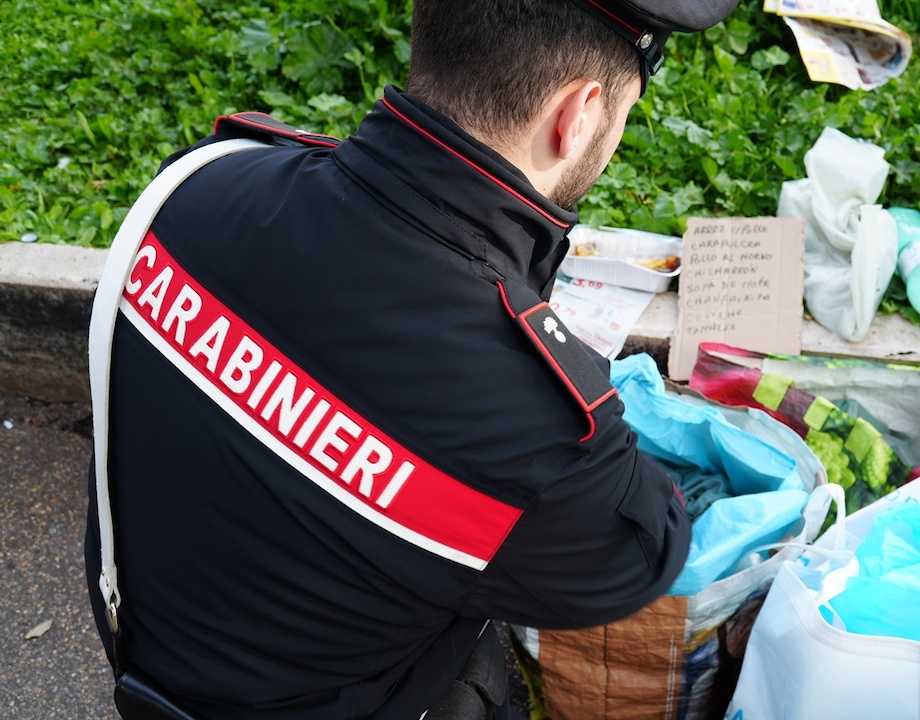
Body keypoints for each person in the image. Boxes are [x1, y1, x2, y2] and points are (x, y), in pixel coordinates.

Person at [84, 0, 738, 717]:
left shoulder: (195, 187)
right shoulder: (540, 436)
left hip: (147, 661)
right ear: (577, 113)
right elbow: (645, 550)